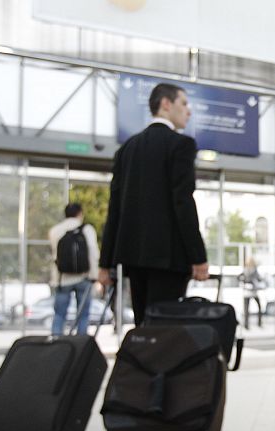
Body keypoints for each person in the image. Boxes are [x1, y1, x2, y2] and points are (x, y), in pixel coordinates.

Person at [98, 83, 209, 326]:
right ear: (166, 104)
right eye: (184, 103)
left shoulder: (127, 149)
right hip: (169, 258)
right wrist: (198, 257)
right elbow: (183, 202)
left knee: (144, 329)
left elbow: (114, 208)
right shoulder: (181, 145)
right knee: (166, 332)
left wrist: (105, 263)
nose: (188, 111)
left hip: (133, 257)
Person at [48, 203, 99, 336]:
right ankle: (80, 349)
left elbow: (54, 256)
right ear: (80, 213)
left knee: (59, 315)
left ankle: (56, 346)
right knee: (83, 315)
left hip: (62, 279)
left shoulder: (55, 230)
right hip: (84, 277)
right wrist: (95, 275)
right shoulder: (87, 229)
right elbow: (93, 253)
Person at [239, 257, 265, 329]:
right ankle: (254, 324)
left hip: (250, 292)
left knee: (248, 309)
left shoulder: (246, 271)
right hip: (250, 292)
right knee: (251, 309)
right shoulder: (249, 271)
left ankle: (248, 325)